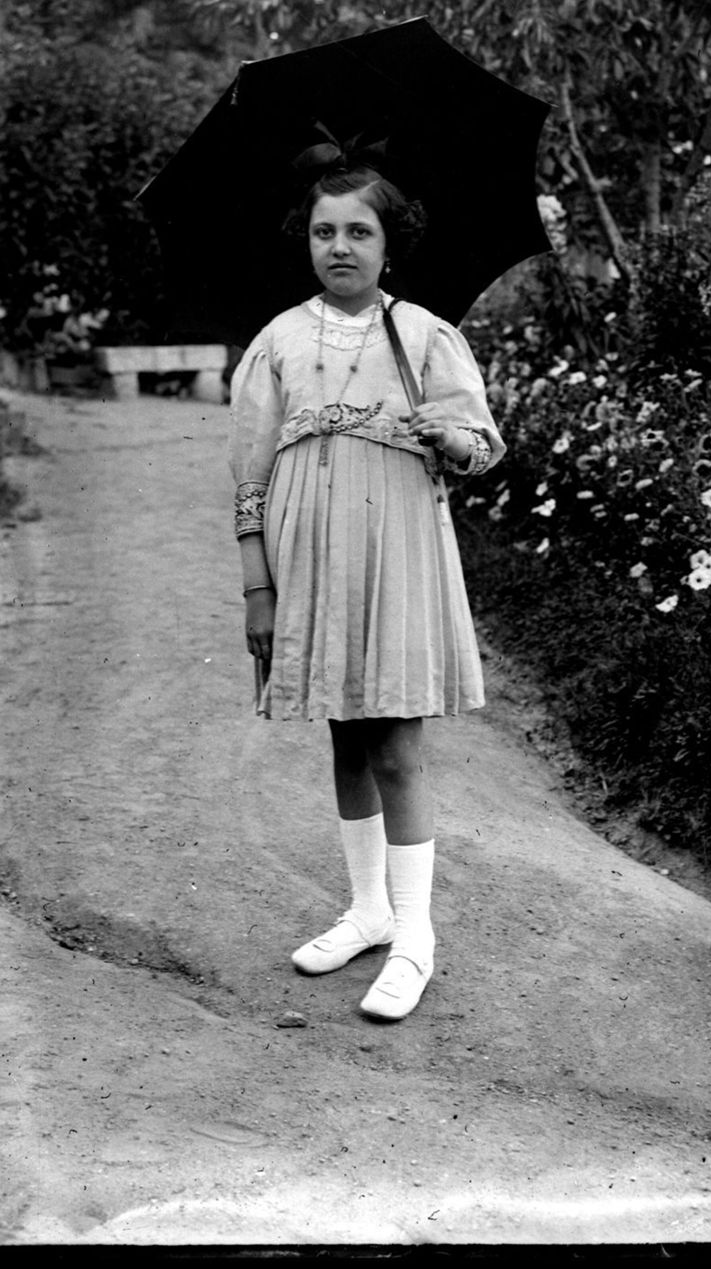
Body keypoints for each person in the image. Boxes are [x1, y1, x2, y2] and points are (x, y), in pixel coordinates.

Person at [228, 159, 505, 1021]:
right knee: (346, 737)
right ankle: (367, 908)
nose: (339, 247)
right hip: (311, 555)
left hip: (398, 548)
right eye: (324, 231)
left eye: (359, 231)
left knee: (396, 742)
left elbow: (482, 444)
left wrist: (448, 436)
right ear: (305, 241)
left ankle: (415, 932)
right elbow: (248, 472)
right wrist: (257, 588)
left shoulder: (422, 335)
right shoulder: (277, 341)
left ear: (390, 244)